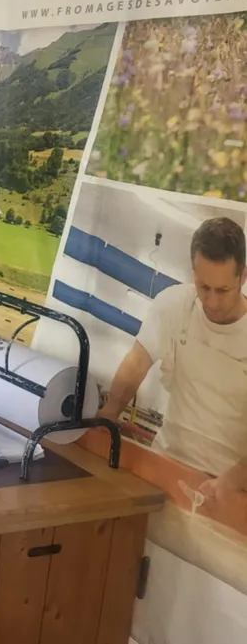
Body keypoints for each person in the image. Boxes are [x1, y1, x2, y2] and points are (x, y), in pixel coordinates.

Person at [98, 216, 247, 505]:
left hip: (230, 490)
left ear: (243, 277)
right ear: (193, 271)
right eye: (203, 286)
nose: (212, 301)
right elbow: (137, 362)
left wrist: (231, 482)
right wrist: (109, 413)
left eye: (223, 290)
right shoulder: (174, 304)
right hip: (165, 462)